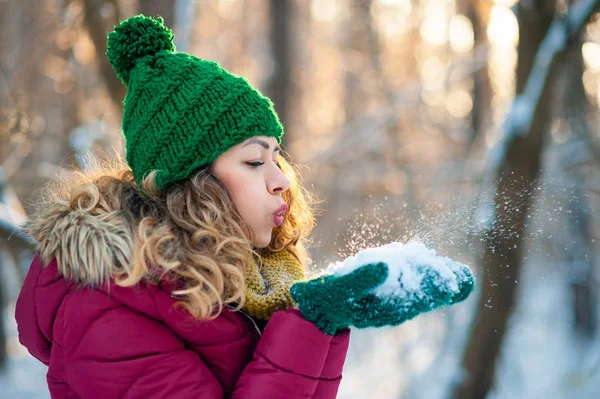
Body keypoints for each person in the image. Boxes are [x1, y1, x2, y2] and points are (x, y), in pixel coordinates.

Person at [15, 15, 474, 399]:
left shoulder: (236, 284)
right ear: (191, 184)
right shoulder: (107, 309)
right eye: (255, 160)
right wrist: (310, 323)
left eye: (277, 157)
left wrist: (322, 320)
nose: (281, 181)